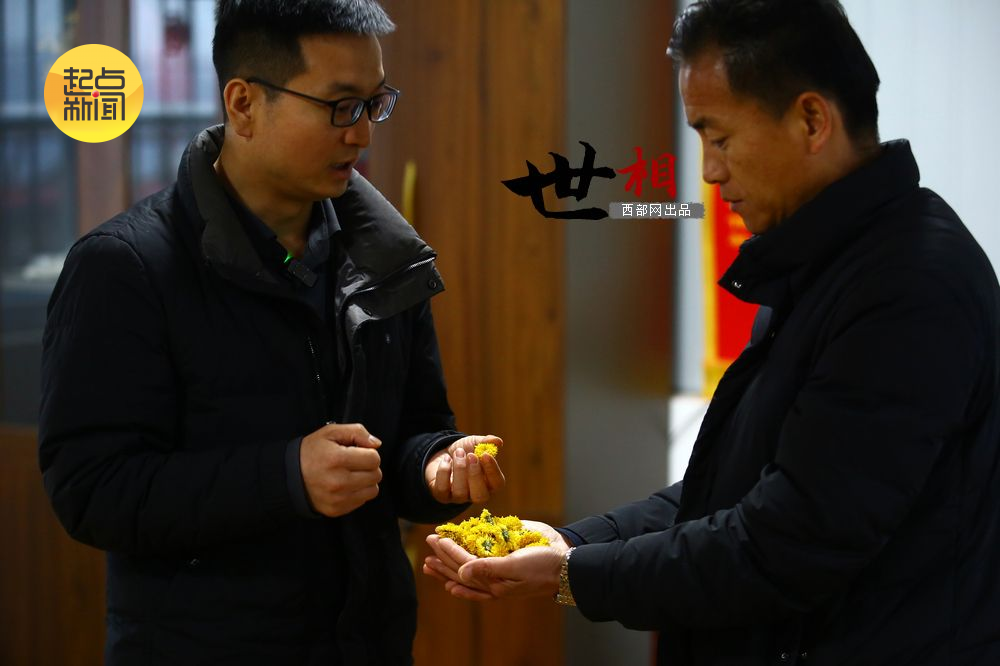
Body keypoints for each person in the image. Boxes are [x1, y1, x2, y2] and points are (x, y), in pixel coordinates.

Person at [424, 1, 1000, 664]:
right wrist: (570, 544)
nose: (709, 171)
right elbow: (730, 491)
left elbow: (789, 541)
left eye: (718, 137)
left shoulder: (906, 284)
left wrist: (571, 575)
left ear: (812, 120)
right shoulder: (816, 258)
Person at [38, 1, 505, 663]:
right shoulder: (126, 268)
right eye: (340, 106)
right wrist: (286, 475)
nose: (362, 135)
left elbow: (411, 432)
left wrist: (436, 466)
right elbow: (92, 491)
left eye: (374, 104)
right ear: (244, 104)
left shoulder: (384, 256)